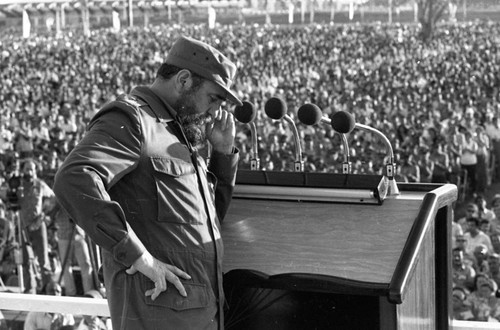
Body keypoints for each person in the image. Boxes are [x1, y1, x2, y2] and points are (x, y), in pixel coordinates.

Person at [53, 36, 241, 329]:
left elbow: (208, 221)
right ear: (183, 80)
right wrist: (139, 257)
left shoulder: (179, 134)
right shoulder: (133, 119)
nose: (215, 111)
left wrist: (223, 154)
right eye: (213, 98)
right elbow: (75, 178)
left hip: (201, 316)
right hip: (158, 317)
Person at [18, 159, 56, 293]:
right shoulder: (19, 185)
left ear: (35, 170)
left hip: (38, 224)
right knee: (26, 259)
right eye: (27, 169)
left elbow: (53, 197)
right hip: (23, 226)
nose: (29, 171)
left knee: (43, 259)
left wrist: (44, 213)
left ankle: (47, 288)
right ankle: (30, 288)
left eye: (32, 169)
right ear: (22, 170)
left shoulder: (40, 185)